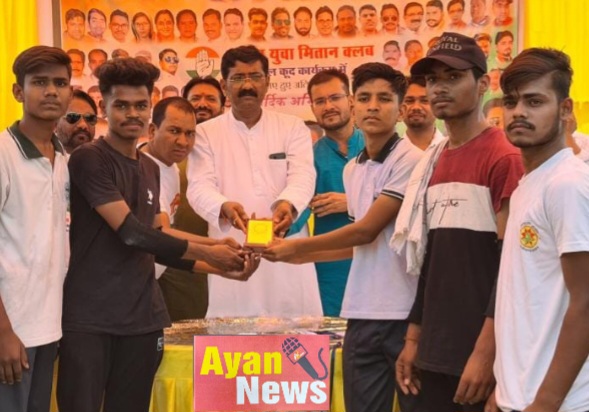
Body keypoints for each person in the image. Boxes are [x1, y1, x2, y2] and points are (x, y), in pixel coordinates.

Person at [56, 57, 253, 412]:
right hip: (91, 320)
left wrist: (224, 268)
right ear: (104, 107)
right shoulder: (89, 159)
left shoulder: (150, 167)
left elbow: (156, 246)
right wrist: (208, 251)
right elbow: (132, 234)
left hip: (144, 321)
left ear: (149, 107)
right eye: (122, 105)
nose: (132, 113)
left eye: (141, 105)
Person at [263, 62, 423, 412]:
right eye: (364, 98)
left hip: (404, 314)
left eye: (384, 99)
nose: (372, 107)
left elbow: (366, 230)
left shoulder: (413, 160)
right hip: (360, 311)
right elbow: (356, 246)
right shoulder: (353, 169)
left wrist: (297, 248)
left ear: (400, 109)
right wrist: (290, 254)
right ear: (355, 103)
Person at [392, 32, 524, 412]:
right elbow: (432, 261)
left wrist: (486, 354)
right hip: (435, 353)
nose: (439, 88)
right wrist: (414, 340)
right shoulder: (436, 159)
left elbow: (511, 269)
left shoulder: (504, 158)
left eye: (453, 77)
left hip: (479, 357)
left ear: (482, 84)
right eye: (433, 79)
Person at [187, 45, 321, 318]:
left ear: (267, 82)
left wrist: (288, 204)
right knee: (233, 332)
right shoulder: (205, 134)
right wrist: (223, 206)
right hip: (232, 248)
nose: (247, 85)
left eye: (255, 77)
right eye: (238, 78)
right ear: (224, 85)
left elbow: (303, 175)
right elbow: (199, 186)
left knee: (295, 330)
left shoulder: (292, 127)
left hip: (286, 246)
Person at [494, 47, 589, 412]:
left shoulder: (568, 183)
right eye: (511, 101)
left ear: (565, 110)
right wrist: (506, 387)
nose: (519, 112)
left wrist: (546, 401)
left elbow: (585, 301)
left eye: (534, 101)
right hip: (522, 397)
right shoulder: (529, 185)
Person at [0, 45, 71, 412]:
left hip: (47, 328)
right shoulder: (4, 154)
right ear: (18, 91)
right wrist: (3, 331)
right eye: (39, 82)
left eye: (60, 83)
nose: (51, 91)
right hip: (10, 332)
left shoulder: (64, 159)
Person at [292, 69, 365, 317]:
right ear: (312, 108)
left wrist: (352, 203)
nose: (328, 106)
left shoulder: (377, 147)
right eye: (320, 101)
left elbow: (402, 204)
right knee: (332, 338)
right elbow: (296, 214)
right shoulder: (308, 158)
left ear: (351, 100)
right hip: (331, 272)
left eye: (335, 98)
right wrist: (262, 233)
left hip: (378, 264)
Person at [156, 78, 226, 322]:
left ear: (223, 107)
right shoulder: (167, 158)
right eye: (195, 98)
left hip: (218, 259)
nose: (202, 104)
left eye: (211, 99)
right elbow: (160, 231)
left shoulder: (228, 152)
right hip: (176, 263)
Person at [401, 75, 445, 150]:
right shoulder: (390, 153)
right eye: (409, 101)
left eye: (424, 101)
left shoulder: (450, 148)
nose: (416, 107)